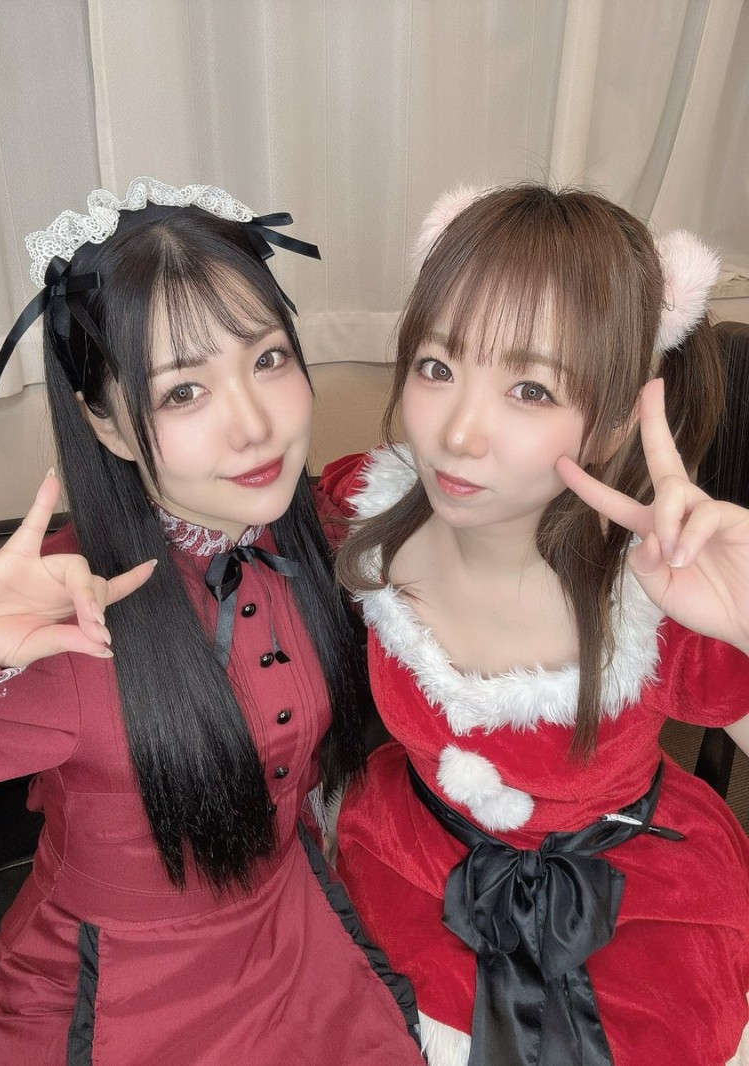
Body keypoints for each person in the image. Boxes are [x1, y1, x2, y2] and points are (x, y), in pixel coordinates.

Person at [0, 177, 424, 1065]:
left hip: (295, 934)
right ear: (106, 426)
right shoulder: (61, 617)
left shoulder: (320, 534)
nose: (253, 426)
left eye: (268, 359)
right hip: (126, 995)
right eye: (182, 393)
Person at [318, 184, 749, 1066]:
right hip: (409, 864)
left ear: (616, 422)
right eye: (437, 367)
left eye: (529, 387)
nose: (459, 433)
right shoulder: (367, 506)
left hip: (633, 908)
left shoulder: (660, 600)